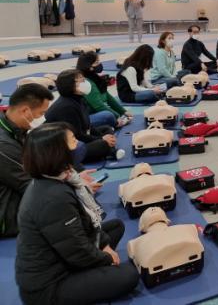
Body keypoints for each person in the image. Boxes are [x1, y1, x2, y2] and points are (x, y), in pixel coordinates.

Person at [15, 123, 139, 305]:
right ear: (57, 152)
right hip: (49, 286)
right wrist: (106, 257)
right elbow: (76, 250)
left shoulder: (58, 178)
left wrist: (103, 245)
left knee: (115, 227)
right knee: (129, 275)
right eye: (73, 141)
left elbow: (84, 225)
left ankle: (93, 266)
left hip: (64, 255)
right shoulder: (53, 197)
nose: (79, 145)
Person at [0, 84, 54, 238]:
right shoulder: (3, 145)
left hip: (16, 193)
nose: (43, 118)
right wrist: (74, 187)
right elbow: (29, 184)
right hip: (6, 216)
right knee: (67, 210)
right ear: (25, 111)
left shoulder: (16, 129)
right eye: (41, 113)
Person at [45, 70, 122, 162]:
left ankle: (110, 149)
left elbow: (87, 126)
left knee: (107, 129)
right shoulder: (66, 107)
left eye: (83, 79)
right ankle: (110, 150)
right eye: (80, 80)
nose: (84, 82)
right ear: (70, 85)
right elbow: (77, 136)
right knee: (102, 144)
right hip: (64, 147)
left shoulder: (79, 99)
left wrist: (103, 137)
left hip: (78, 137)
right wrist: (102, 139)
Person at [76, 52, 133, 128]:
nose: (99, 64)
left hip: (93, 114)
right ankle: (115, 123)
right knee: (107, 115)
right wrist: (117, 116)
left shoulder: (94, 77)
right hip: (84, 118)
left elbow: (108, 97)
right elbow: (99, 106)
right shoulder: (85, 83)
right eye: (96, 62)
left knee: (109, 113)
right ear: (88, 66)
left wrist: (123, 111)